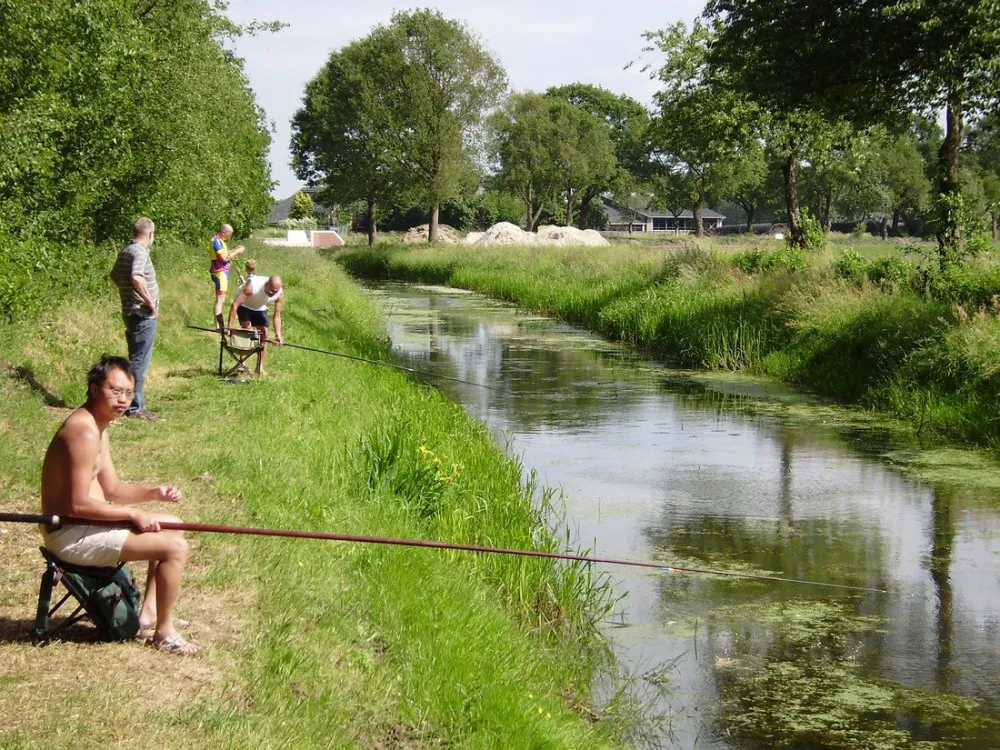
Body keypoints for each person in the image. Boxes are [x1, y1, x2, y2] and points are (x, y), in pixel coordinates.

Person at [39, 356, 198, 655]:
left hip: (89, 526)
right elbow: (76, 505)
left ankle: (149, 615)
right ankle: (164, 633)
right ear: (94, 389)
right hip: (71, 535)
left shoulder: (98, 425)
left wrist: (152, 493)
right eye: (116, 390)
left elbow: (111, 488)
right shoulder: (83, 431)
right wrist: (133, 514)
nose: (124, 399)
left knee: (173, 524)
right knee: (175, 548)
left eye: (129, 392)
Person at [110, 217, 159, 420]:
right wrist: (148, 301)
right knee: (140, 362)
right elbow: (136, 276)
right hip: (142, 313)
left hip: (130, 311)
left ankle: (131, 402)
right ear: (150, 234)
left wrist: (128, 295)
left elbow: (114, 276)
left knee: (135, 358)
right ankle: (134, 407)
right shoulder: (140, 252)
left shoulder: (125, 250)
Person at [227, 273, 284, 375]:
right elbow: (235, 304)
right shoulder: (252, 286)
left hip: (259, 307)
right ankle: (242, 364)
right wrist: (229, 327)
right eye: (270, 290)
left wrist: (278, 335)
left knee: (264, 333)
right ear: (267, 284)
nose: (272, 293)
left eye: (274, 292)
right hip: (244, 305)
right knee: (247, 329)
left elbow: (277, 315)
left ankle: (259, 367)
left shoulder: (278, 293)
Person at [209, 224, 245, 327]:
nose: (230, 236)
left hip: (222, 272)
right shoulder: (216, 241)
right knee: (220, 300)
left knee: (219, 299)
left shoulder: (220, 241)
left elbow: (226, 254)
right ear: (225, 232)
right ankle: (218, 326)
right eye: (230, 234)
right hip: (220, 272)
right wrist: (237, 252)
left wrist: (234, 249)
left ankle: (217, 324)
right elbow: (224, 258)